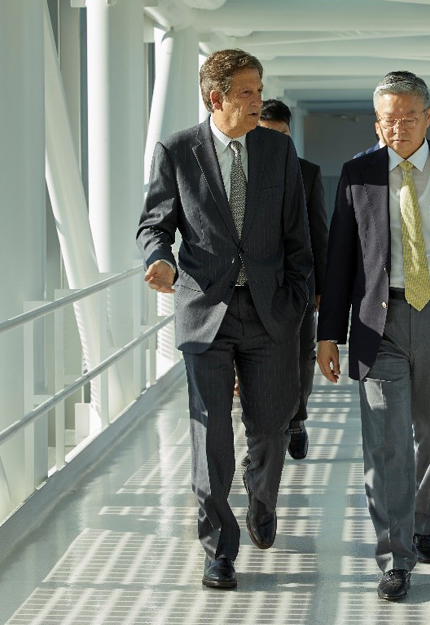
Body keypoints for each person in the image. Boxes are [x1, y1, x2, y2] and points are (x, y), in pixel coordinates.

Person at [137, 49, 312, 589]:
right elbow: (154, 224)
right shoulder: (178, 149)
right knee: (209, 432)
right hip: (204, 309)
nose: (258, 101)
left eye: (260, 90)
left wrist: (297, 297)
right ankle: (218, 548)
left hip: (268, 313)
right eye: (247, 93)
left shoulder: (278, 150)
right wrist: (158, 259)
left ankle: (262, 498)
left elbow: (297, 235)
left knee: (269, 425)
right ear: (216, 98)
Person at [316, 71, 430, 601]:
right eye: (387, 119)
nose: (397, 128)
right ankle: (396, 556)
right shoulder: (358, 173)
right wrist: (329, 335)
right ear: (378, 122)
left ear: (427, 116)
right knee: (387, 443)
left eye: (407, 117)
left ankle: (422, 522)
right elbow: (340, 260)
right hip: (380, 321)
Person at [258, 98, 329, 460]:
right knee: (261, 359)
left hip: (298, 285)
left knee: (302, 355)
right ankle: (266, 429)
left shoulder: (308, 173)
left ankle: (297, 419)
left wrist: (320, 290)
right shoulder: (240, 172)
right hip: (255, 288)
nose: (275, 141)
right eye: (266, 134)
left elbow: (319, 233)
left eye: (282, 135)